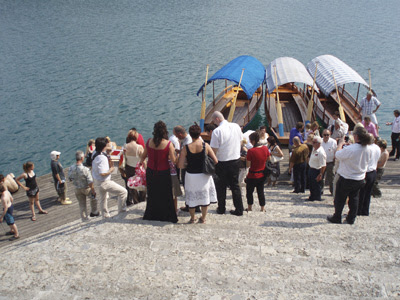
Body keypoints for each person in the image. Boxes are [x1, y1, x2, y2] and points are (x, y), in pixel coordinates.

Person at [327, 126, 373, 225]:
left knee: (340, 199)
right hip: (360, 178)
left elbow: (338, 155)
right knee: (354, 198)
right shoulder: (368, 149)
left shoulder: (351, 149)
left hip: (347, 177)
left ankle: (337, 216)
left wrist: (341, 144)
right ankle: (351, 218)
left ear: (356, 136)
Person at [177, 124, 218, 223]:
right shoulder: (206, 145)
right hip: (204, 175)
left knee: (191, 197)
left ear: (190, 135)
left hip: (191, 175)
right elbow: (216, 160)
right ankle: (203, 218)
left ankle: (192, 218)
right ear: (200, 134)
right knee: (204, 197)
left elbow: (180, 165)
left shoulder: (186, 148)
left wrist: (188, 164)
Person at [140, 121, 178, 223]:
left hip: (151, 172)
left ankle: (152, 214)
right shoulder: (168, 144)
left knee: (152, 194)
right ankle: (167, 216)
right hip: (164, 172)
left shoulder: (148, 142)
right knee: (166, 194)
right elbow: (174, 161)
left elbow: (142, 157)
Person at [210, 111, 244, 216]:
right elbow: (241, 141)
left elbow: (213, 150)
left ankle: (221, 208)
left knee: (221, 186)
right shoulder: (236, 126)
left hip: (222, 162)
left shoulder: (217, 131)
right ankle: (239, 209)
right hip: (235, 160)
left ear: (217, 119)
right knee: (235, 185)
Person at [92, 137, 127, 218]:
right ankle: (121, 212)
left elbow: (108, 148)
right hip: (104, 182)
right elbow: (103, 173)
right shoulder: (102, 158)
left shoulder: (95, 153)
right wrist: (111, 169)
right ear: (103, 146)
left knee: (103, 199)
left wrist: (119, 150)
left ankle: (105, 215)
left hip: (97, 181)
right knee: (123, 192)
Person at [69, 151, 99, 221]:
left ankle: (84, 218)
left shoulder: (71, 168)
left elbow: (70, 178)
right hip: (86, 188)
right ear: (82, 158)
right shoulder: (85, 169)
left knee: (82, 204)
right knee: (93, 199)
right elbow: (90, 181)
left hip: (77, 188)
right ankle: (94, 212)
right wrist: (93, 190)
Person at [245, 131, 270, 212]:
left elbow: (248, 165)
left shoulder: (251, 151)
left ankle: (249, 207)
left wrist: (244, 159)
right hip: (262, 174)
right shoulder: (265, 148)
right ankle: (262, 208)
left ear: (252, 141)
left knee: (249, 192)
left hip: (252, 175)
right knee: (260, 191)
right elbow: (268, 159)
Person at [120, 130, 145, 206]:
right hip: (138, 168)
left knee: (132, 186)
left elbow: (122, 158)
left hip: (128, 168)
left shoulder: (125, 146)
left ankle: (136, 201)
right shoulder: (139, 147)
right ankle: (142, 200)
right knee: (142, 185)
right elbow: (143, 159)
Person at [358, 135, 381, 216]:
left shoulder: (367, 148)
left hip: (366, 172)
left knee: (361, 192)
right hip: (373, 171)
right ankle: (365, 211)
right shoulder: (377, 148)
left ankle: (359, 210)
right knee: (368, 193)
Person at [307, 136, 326, 201]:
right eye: (313, 142)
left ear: (319, 143)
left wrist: (320, 174)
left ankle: (317, 197)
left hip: (317, 169)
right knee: (311, 184)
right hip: (311, 168)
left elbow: (323, 165)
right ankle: (312, 196)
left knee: (316, 185)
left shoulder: (320, 152)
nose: (313, 144)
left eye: (314, 142)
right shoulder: (314, 149)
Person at [321, 129, 337, 195]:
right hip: (322, 163)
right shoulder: (320, 141)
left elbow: (336, 151)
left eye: (328, 135)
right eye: (325, 135)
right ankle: (320, 190)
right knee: (321, 177)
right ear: (322, 135)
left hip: (330, 162)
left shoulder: (333, 142)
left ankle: (332, 191)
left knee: (331, 178)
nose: (326, 136)